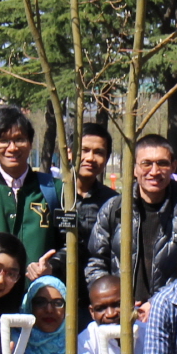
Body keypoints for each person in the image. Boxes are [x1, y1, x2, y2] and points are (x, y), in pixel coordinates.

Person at [84, 134, 177, 309]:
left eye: (162, 163)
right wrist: (113, 300)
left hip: (173, 312)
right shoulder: (114, 209)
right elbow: (96, 261)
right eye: (146, 164)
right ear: (134, 168)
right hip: (120, 314)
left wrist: (159, 303)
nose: (154, 171)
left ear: (173, 167)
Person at [0, 105, 58, 280]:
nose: (12, 147)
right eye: (3, 140)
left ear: (30, 143)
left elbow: (71, 244)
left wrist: (52, 265)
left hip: (40, 298)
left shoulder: (55, 190)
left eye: (19, 139)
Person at [67, 123, 119, 310]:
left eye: (98, 152)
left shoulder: (114, 202)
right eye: (84, 150)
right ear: (69, 152)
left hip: (101, 299)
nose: (90, 158)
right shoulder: (52, 194)